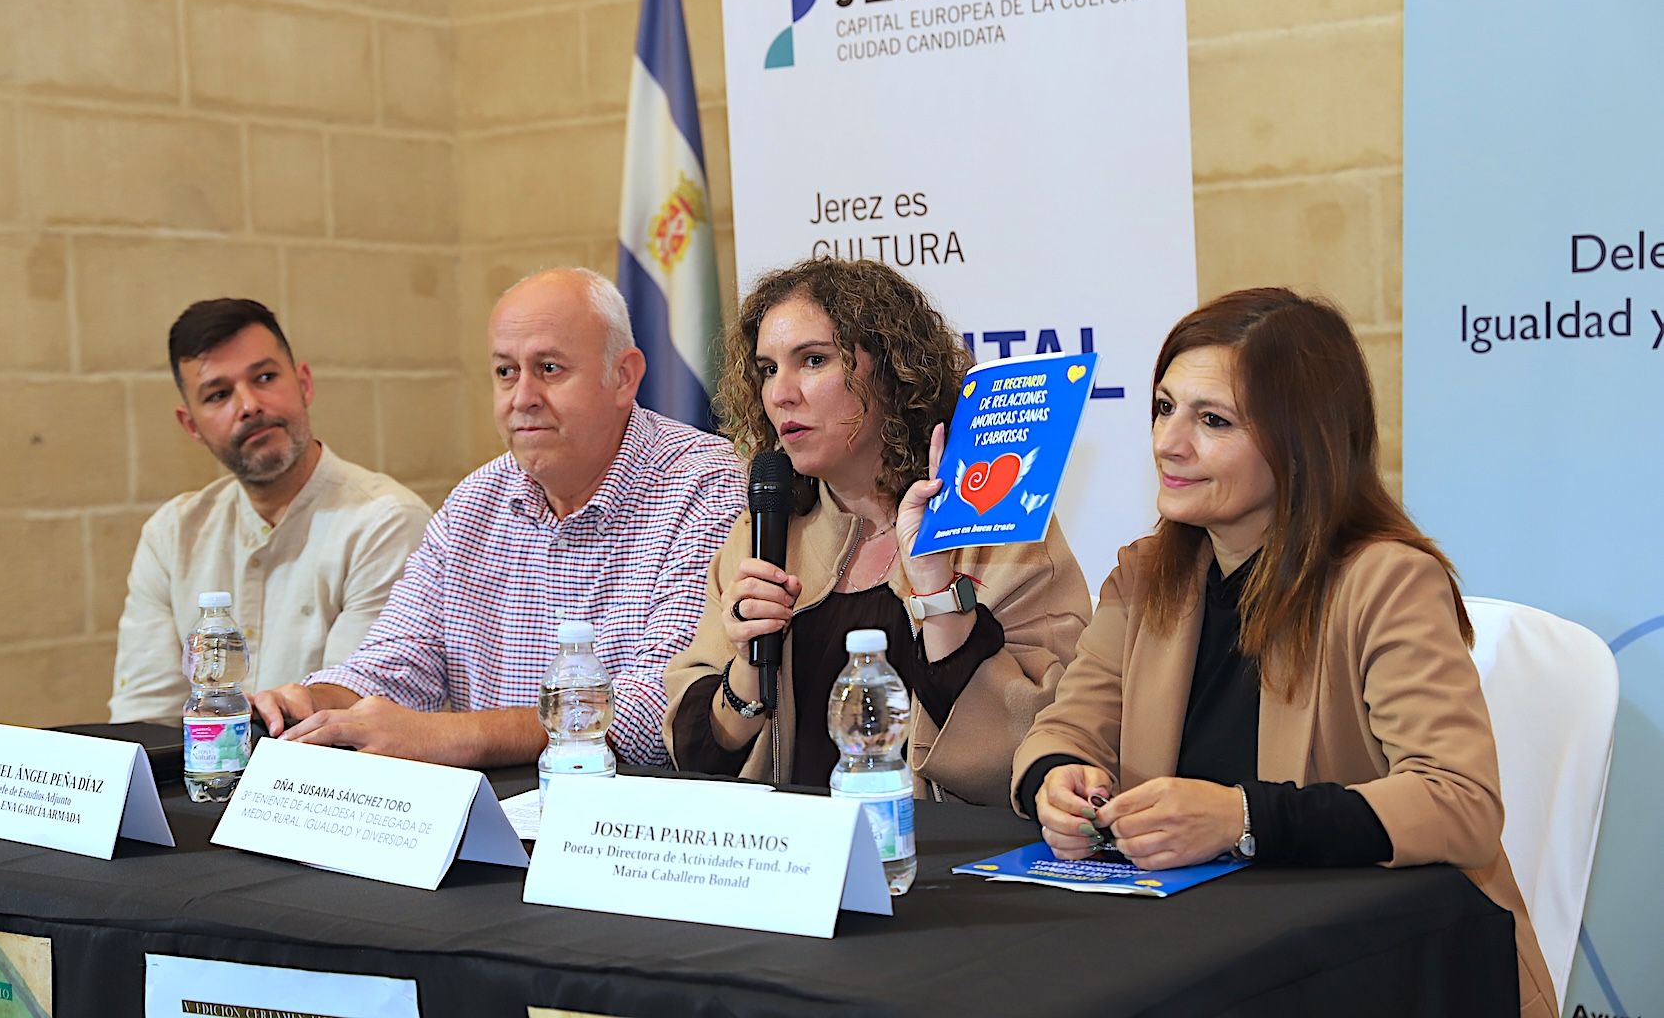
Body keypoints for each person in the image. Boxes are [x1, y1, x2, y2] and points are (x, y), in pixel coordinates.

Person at [1013, 288, 1554, 1016]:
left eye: (1213, 421)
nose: (1170, 442)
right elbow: (1063, 731)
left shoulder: (1387, 580)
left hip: (1378, 969)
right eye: (1164, 408)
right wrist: (1057, 780)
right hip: (1201, 955)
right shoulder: (1145, 575)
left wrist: (1240, 818)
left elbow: (1460, 803)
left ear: (1301, 441)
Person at [249, 268, 742, 769]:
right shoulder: (476, 499)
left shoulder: (705, 485)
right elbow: (396, 663)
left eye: (549, 368)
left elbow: (663, 711)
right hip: (494, 822)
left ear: (623, 376)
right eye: (506, 372)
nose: (522, 397)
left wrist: (453, 737)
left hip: (631, 829)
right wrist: (315, 706)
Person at [664, 258, 1091, 805]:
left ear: (893, 372)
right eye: (768, 369)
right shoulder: (761, 535)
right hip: (785, 871)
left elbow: (1040, 747)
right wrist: (748, 673)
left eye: (813, 360)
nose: (781, 394)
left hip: (933, 870)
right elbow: (696, 754)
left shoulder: (1000, 532)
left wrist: (939, 600)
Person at [109, 299, 430, 723]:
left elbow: (359, 710)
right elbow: (146, 718)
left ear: (304, 384)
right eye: (219, 394)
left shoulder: (383, 522)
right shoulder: (172, 534)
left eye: (264, 377)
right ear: (192, 426)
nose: (249, 405)